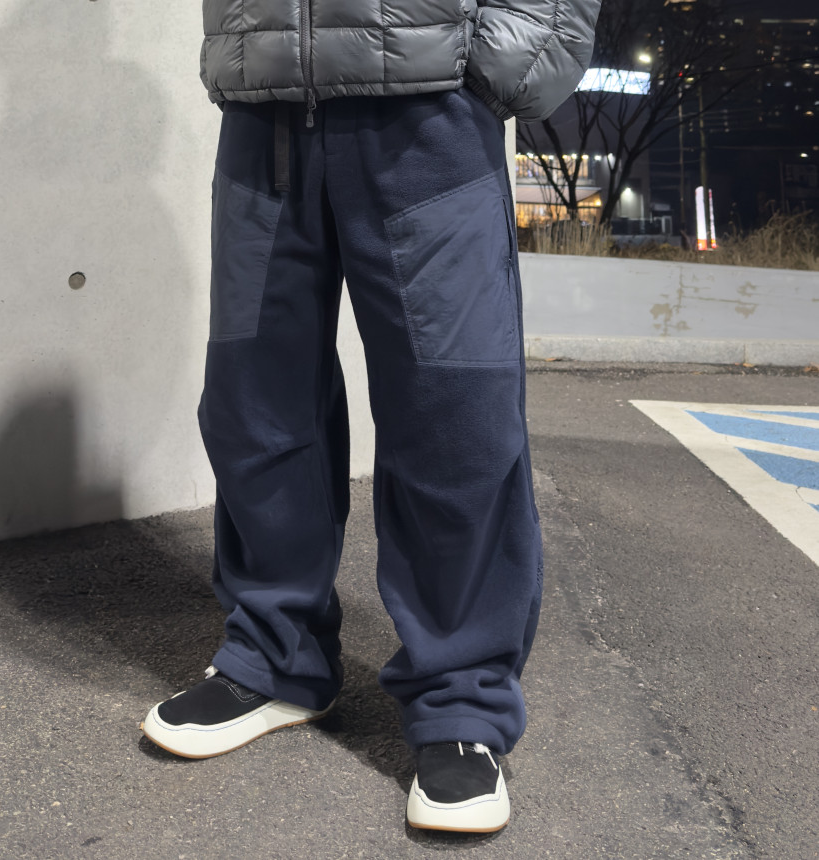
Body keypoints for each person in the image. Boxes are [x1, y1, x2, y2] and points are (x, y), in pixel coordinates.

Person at [142, 0, 600, 833]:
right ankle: (274, 656)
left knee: (455, 415)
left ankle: (461, 697)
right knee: (255, 404)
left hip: (428, 110)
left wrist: (500, 62)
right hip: (264, 112)